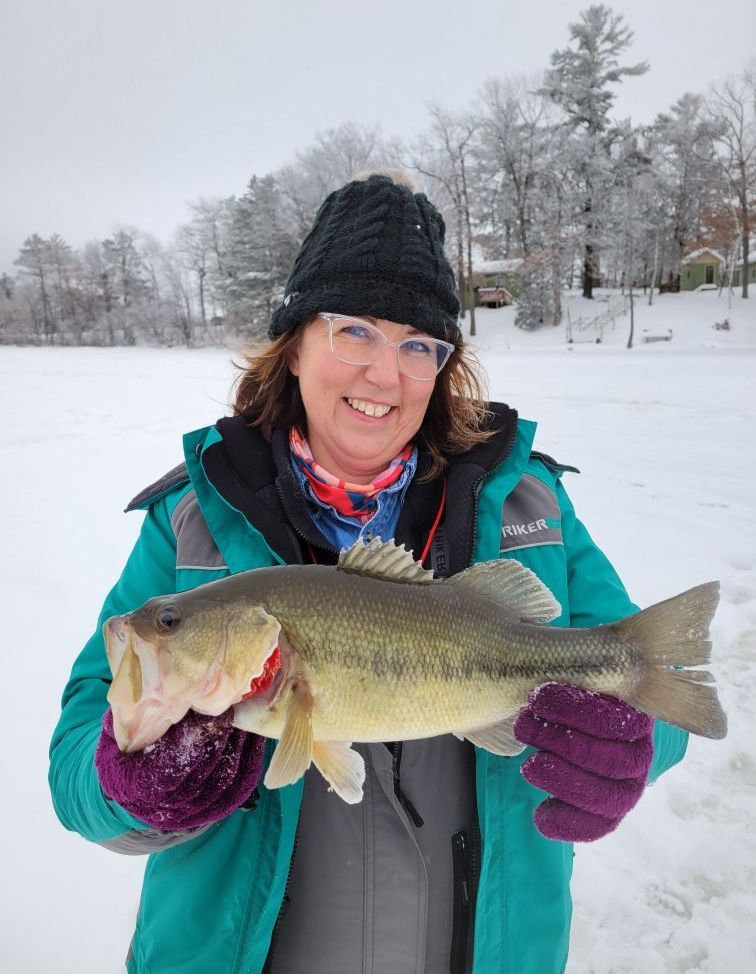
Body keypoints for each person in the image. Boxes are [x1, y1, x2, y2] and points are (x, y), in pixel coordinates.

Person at [49, 170, 687, 974]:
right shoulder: (191, 520)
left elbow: (654, 685)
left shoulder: (533, 505)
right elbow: (76, 775)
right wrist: (133, 781)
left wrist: (637, 744)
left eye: (418, 345)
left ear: (443, 369)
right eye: (353, 331)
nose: (384, 374)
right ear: (294, 344)